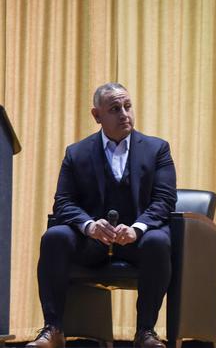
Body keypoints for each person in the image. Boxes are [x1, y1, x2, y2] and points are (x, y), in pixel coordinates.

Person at [27, 83, 177, 348]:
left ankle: (145, 332)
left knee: (158, 241)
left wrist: (138, 228)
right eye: (115, 109)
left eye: (127, 107)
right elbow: (63, 201)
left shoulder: (157, 149)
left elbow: (165, 200)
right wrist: (89, 226)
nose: (124, 115)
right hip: (91, 244)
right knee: (54, 237)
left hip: (137, 242)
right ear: (97, 116)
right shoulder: (77, 153)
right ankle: (53, 329)